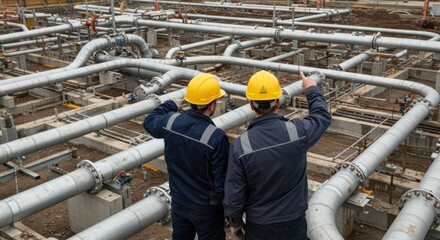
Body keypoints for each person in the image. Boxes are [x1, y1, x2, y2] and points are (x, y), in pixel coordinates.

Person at [223, 70, 332, 240]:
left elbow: (234, 194)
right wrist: (311, 88)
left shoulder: (241, 146)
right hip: (293, 222)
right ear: (278, 103)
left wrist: (235, 223)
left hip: (259, 225)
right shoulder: (297, 132)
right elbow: (321, 116)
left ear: (251, 104)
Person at [143, 73, 229, 240]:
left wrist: (170, 104)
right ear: (211, 106)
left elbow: (149, 121)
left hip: (179, 202)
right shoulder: (216, 137)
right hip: (207, 209)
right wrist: (227, 211)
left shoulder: (170, 122)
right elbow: (221, 183)